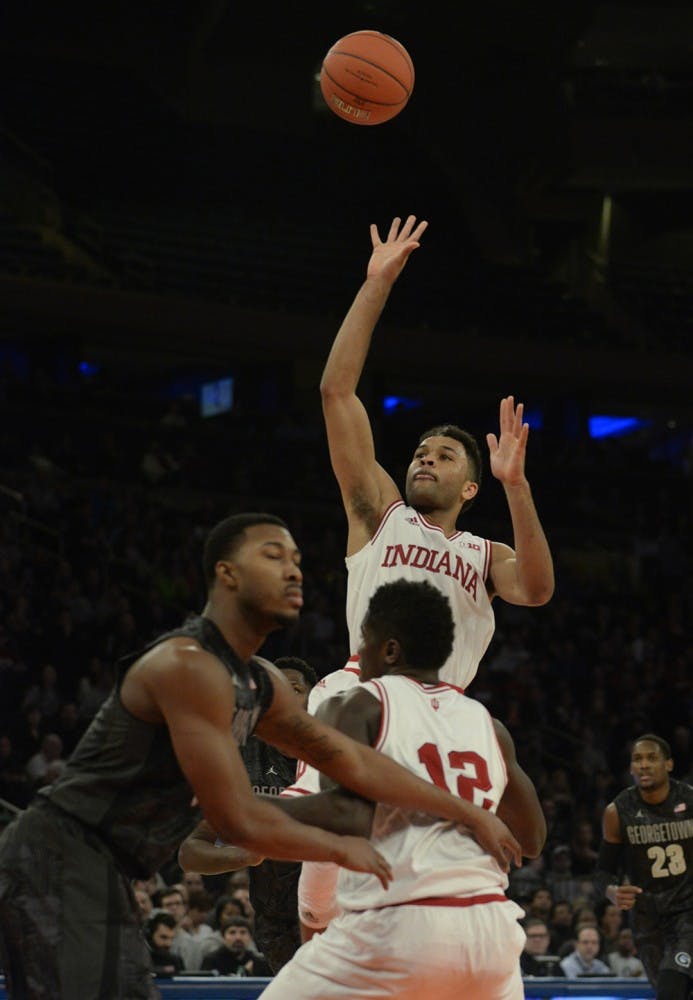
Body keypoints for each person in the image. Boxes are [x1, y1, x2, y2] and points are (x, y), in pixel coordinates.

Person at [0, 512, 520, 999]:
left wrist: (468, 811)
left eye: (296, 559)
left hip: (109, 869)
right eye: (273, 556)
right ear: (226, 575)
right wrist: (338, 849)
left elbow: (351, 761)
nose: (294, 570)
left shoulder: (263, 681)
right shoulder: (187, 665)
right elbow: (238, 819)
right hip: (58, 855)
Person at [260, 579, 546, 1000]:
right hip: (491, 931)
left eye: (366, 644)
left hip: (399, 923)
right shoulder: (489, 724)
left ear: (389, 650)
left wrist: (245, 809)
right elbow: (532, 840)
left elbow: (345, 816)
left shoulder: (356, 701)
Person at [319, 213, 554, 694]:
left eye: (445, 456)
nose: (425, 459)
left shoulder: (486, 556)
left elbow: (536, 590)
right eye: (422, 453)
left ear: (471, 487)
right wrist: (375, 287)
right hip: (365, 689)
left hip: (442, 709)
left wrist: (516, 486)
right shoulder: (379, 515)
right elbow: (337, 393)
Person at [180, 655, 318, 972]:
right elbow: (190, 853)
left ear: (317, 697)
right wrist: (244, 855)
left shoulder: (337, 749)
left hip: (339, 915)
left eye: (294, 688)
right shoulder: (242, 758)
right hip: (277, 924)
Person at [596, 733, 693, 999]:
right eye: (638, 759)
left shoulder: (690, 801)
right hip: (647, 921)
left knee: (671, 991)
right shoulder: (617, 812)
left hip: (687, 913)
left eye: (652, 758)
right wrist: (612, 892)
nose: (644, 765)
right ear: (631, 768)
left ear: (669, 764)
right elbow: (603, 872)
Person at [200, 915, 272, 976]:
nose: (238, 937)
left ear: (250, 937)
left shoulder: (259, 962)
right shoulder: (211, 961)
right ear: (223, 937)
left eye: (243, 932)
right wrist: (245, 972)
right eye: (232, 932)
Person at [143, 912, 184, 977]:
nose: (168, 944)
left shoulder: (176, 961)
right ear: (150, 935)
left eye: (172, 938)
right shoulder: (138, 960)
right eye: (163, 937)